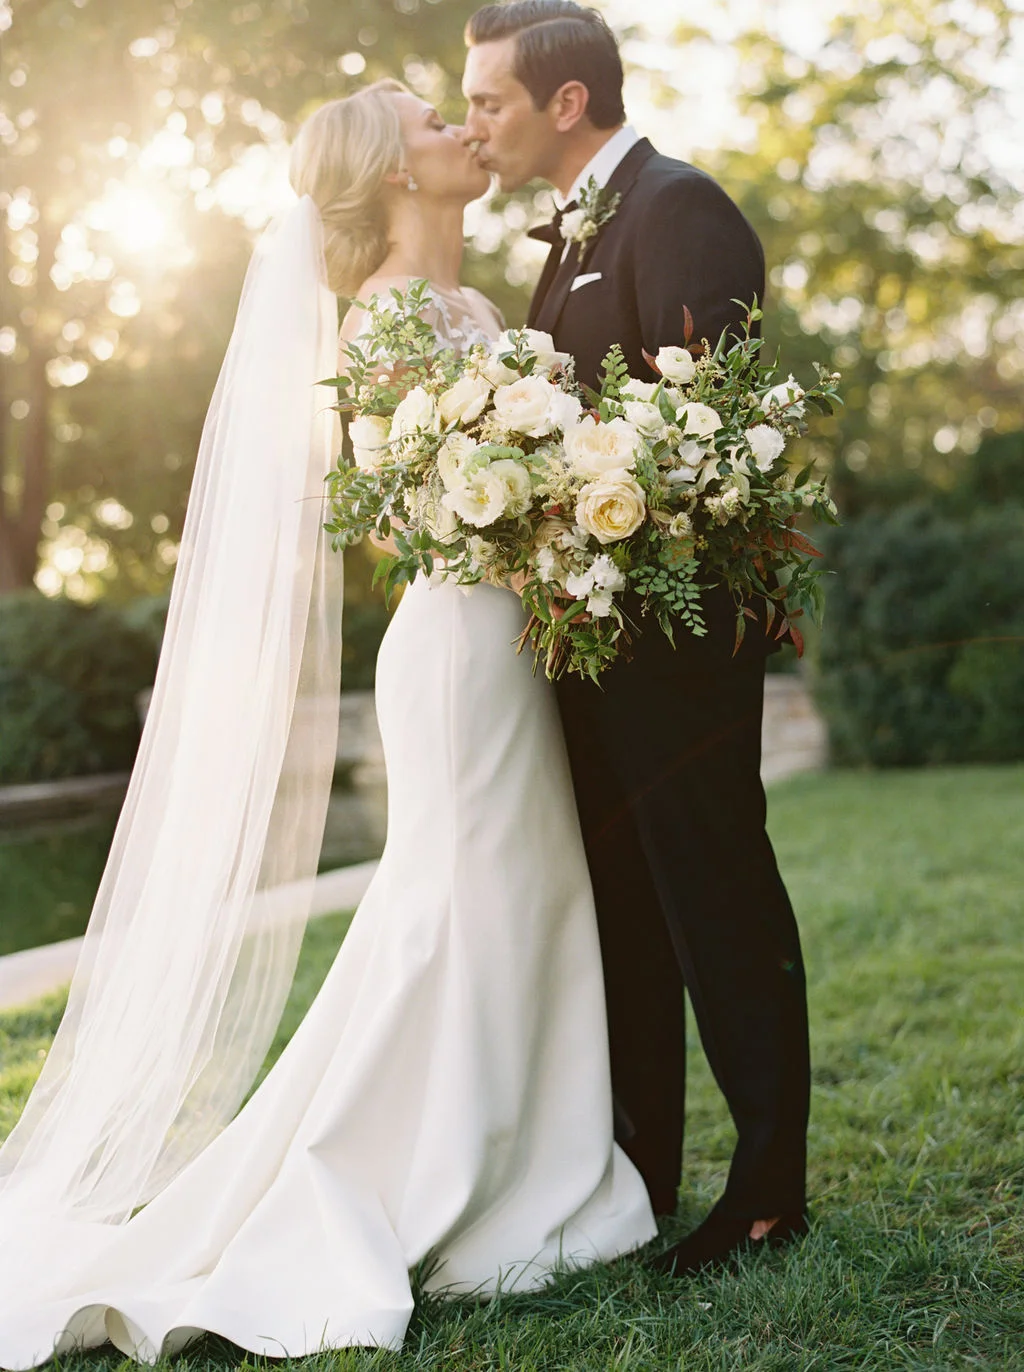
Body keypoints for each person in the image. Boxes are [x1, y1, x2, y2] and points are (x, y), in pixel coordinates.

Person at [0, 81, 655, 1371]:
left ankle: (524, 1160)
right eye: (432, 123)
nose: (463, 130)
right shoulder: (388, 322)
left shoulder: (469, 306)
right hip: (464, 645)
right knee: (459, 900)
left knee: (512, 897)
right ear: (391, 175)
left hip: (510, 643)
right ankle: (424, 1176)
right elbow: (447, 511)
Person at [462, 0, 812, 1274]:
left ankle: (771, 1188)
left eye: (489, 100)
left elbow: (708, 435)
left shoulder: (681, 210)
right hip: (592, 645)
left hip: (677, 651)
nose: (474, 123)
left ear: (566, 103)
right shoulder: (569, 238)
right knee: (626, 919)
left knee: (716, 900)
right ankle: (638, 1183)